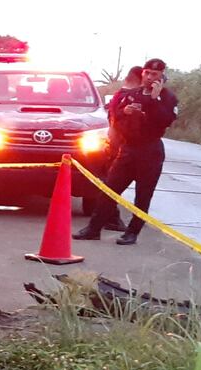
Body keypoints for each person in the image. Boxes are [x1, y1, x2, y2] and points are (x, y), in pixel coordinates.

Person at [74, 58, 178, 245]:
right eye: (146, 73)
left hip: (150, 150)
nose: (149, 77)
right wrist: (126, 113)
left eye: (154, 74)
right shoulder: (133, 94)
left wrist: (154, 100)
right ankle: (93, 228)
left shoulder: (168, 98)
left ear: (162, 76)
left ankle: (132, 232)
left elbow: (166, 120)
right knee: (109, 190)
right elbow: (115, 118)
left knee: (143, 195)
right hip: (128, 149)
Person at [96, 65, 143, 232]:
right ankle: (112, 219)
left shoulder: (117, 96)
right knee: (112, 186)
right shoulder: (127, 97)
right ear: (141, 79)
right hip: (120, 148)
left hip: (114, 146)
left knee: (111, 185)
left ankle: (110, 218)